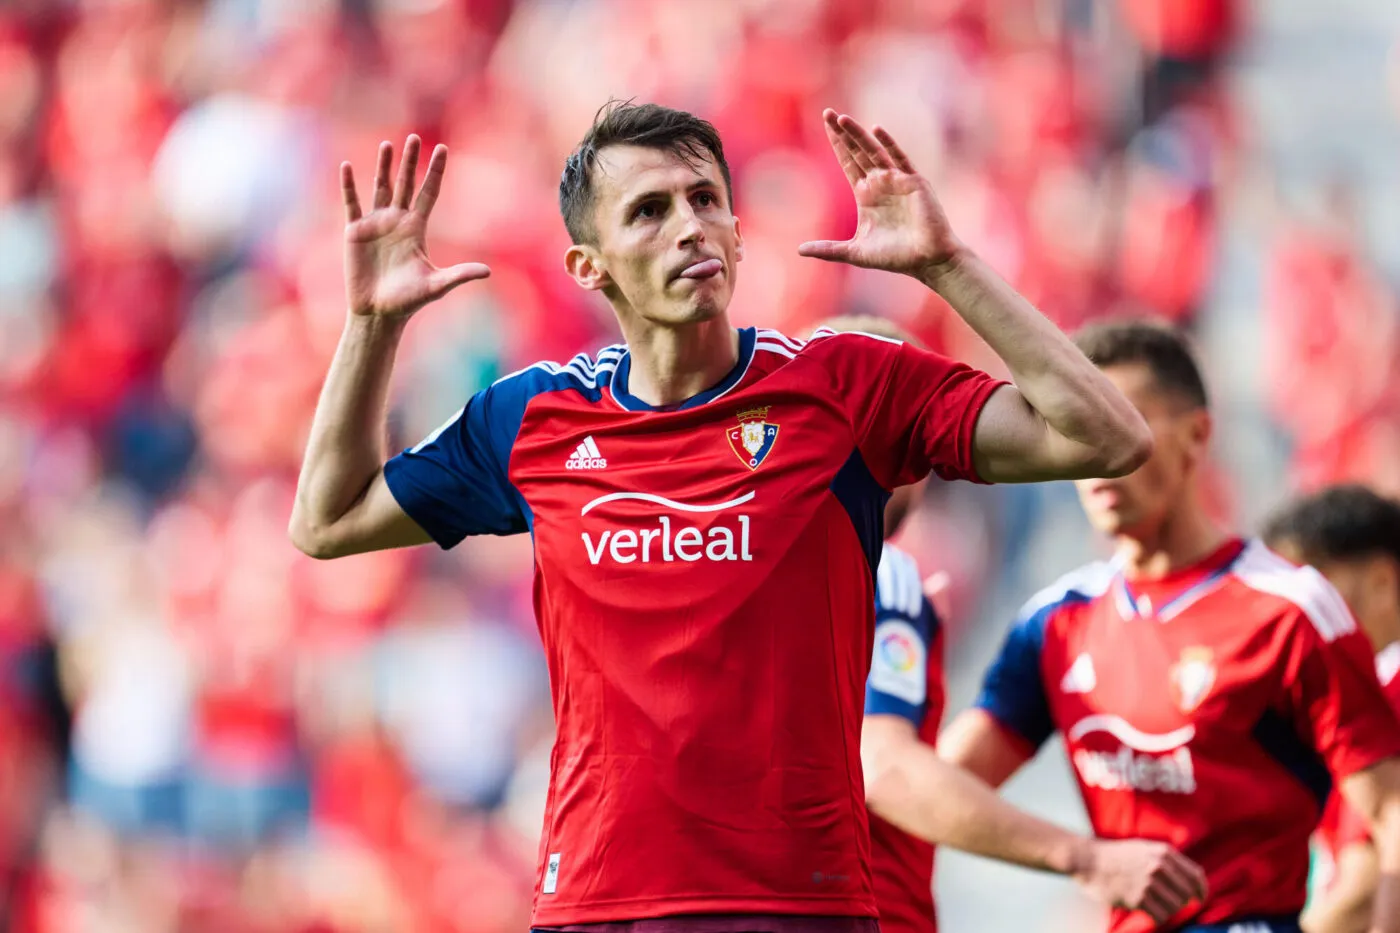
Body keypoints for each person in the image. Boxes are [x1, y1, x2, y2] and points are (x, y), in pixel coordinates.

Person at [288, 100, 1153, 932]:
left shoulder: (842, 384)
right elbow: (326, 522)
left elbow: (1106, 437)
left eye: (707, 200)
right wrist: (370, 325)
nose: (690, 225)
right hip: (595, 901)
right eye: (650, 210)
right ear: (589, 265)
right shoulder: (529, 418)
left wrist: (948, 266)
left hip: (797, 904)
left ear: (739, 231)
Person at [927, 319, 1400, 933]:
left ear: (1197, 437)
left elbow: (1388, 814)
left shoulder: (1290, 609)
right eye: (1073, 426)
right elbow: (941, 786)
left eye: (1119, 424)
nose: (1094, 452)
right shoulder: (1056, 622)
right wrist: (1079, 858)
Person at [813, 317, 1204, 933]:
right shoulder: (884, 573)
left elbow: (942, 774)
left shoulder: (726, 560)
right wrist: (1087, 858)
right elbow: (888, 772)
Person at [1263, 485, 1400, 933]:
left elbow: (1365, 888)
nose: (1288, 610)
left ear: (1381, 583)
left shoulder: (1388, 697)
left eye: (1309, 588)